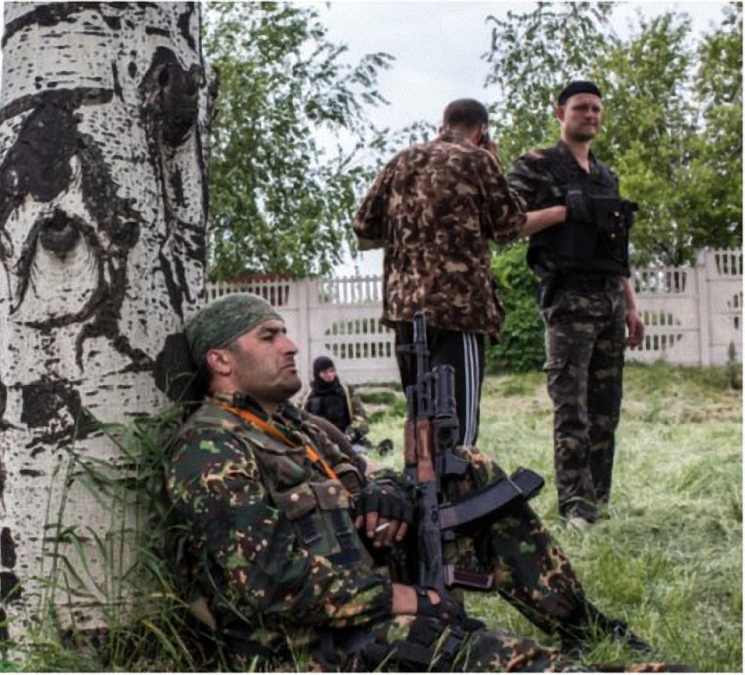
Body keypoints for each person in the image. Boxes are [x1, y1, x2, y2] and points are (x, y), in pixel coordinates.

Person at [166, 293, 661, 671]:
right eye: (269, 336)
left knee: (467, 470)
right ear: (221, 360)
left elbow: (368, 478)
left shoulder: (301, 427)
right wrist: (409, 599)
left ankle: (578, 622)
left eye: (285, 333)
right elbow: (268, 583)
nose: (291, 346)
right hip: (309, 641)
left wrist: (389, 495)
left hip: (366, 588)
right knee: (484, 654)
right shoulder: (211, 447)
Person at [354, 99, 557, 447]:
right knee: (456, 429)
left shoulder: (401, 161)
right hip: (458, 310)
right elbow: (509, 224)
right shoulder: (478, 160)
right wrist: (495, 165)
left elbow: (363, 225)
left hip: (404, 311)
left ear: (442, 124)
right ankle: (458, 494)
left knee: (421, 421)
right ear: (480, 130)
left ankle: (422, 494)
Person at [507, 81, 645, 528]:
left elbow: (616, 247)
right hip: (568, 299)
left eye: (597, 109)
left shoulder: (606, 176)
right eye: (582, 108)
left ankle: (598, 501)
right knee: (572, 408)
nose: (591, 116)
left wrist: (630, 304)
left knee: (606, 408)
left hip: (607, 298)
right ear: (559, 113)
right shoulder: (538, 166)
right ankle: (575, 508)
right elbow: (507, 223)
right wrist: (564, 211)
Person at [302, 355, 389, 455]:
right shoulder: (307, 396)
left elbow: (361, 419)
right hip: (319, 442)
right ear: (317, 374)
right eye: (325, 373)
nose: (330, 375)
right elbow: (299, 418)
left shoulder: (346, 392)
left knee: (358, 453)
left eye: (332, 371)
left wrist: (349, 435)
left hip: (346, 440)